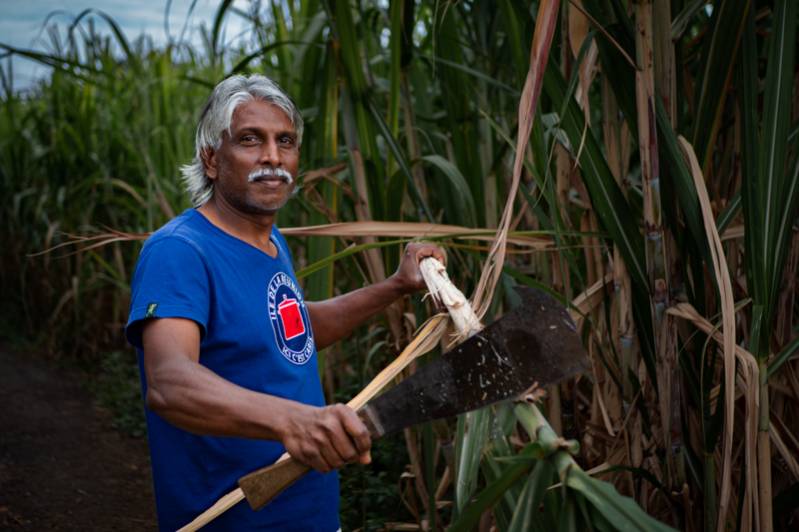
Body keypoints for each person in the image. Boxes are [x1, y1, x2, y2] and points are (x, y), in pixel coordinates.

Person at [125, 74, 445, 531]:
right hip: (232, 519)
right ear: (212, 159)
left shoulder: (270, 241)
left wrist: (395, 286)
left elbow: (290, 329)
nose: (272, 157)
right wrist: (293, 421)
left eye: (285, 141)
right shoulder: (179, 250)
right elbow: (170, 382)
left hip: (309, 512)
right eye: (250, 140)